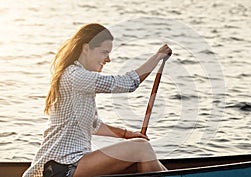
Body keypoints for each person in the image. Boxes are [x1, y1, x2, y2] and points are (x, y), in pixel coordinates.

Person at [22, 23, 172, 177]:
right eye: (104, 52)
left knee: (140, 156)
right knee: (142, 148)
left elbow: (94, 125)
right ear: (86, 49)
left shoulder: (79, 78)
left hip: (71, 165)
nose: (108, 59)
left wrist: (127, 134)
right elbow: (127, 83)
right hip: (61, 168)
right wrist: (157, 57)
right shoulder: (75, 76)